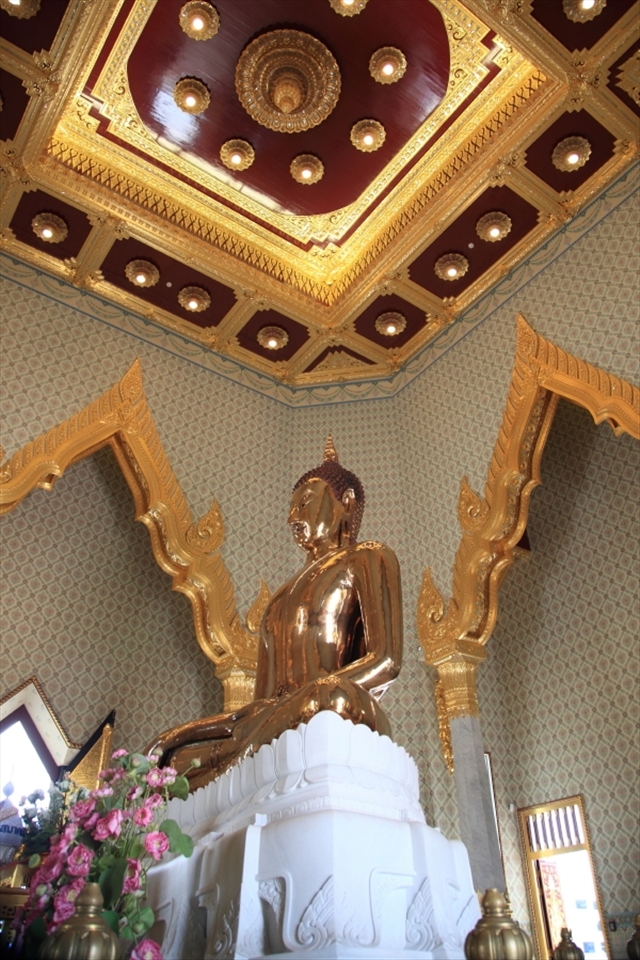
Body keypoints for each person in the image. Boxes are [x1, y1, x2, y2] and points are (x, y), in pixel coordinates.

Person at [149, 437, 402, 790]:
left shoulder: (367, 558)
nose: (292, 517)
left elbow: (386, 661)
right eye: (292, 506)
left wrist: (304, 697)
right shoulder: (280, 599)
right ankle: (235, 764)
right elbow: (260, 704)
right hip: (272, 719)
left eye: (305, 503)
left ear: (346, 502)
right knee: (167, 758)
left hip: (337, 706)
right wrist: (179, 735)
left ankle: (234, 769)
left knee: (329, 699)